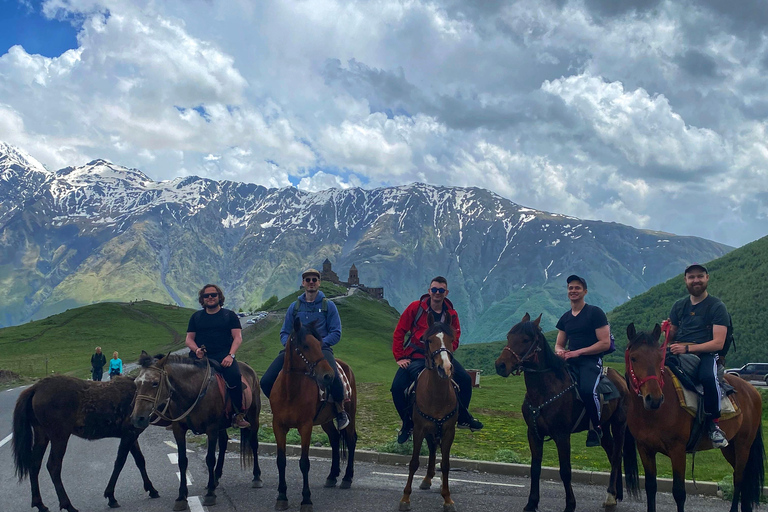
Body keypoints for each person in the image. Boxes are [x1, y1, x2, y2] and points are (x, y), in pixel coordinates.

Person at [391, 276, 483, 444]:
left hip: (442, 356)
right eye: (434, 290)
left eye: (441, 290)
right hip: (417, 356)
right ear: (429, 291)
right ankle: (407, 424)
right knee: (396, 388)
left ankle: (463, 416)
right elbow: (400, 331)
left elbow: (456, 335)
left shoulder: (451, 314)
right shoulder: (415, 308)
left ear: (446, 293)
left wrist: (446, 351)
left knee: (463, 379)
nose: (437, 293)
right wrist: (400, 356)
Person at [259, 268, 349, 430]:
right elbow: (284, 332)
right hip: (295, 352)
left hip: (321, 350)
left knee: (333, 377)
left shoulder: (329, 306)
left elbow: (336, 332)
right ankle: (280, 406)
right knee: (266, 380)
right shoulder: (294, 307)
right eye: (308, 280)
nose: (311, 282)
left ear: (319, 283)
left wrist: (318, 345)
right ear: (303, 283)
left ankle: (340, 410)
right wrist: (291, 346)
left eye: (314, 279)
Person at [667, 263, 730, 448]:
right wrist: (667, 331)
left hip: (706, 354)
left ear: (707, 278)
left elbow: (718, 343)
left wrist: (687, 349)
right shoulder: (679, 306)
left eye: (700, 276)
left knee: (708, 378)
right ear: (685, 280)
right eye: (691, 277)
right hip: (677, 350)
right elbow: (672, 336)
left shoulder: (717, 306)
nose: (696, 280)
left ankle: (714, 425)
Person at [554, 275, 611, 447]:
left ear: (585, 292)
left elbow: (604, 343)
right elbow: (558, 344)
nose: (573, 291)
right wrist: (560, 352)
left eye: (577, 288)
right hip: (571, 361)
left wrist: (578, 352)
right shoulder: (565, 318)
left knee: (587, 390)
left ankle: (597, 427)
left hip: (590, 361)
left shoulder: (595, 313)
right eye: (570, 288)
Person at [186, 284, 250, 429]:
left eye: (213, 295)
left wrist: (230, 356)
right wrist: (196, 350)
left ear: (219, 297)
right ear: (202, 299)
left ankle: (237, 414)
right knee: (179, 377)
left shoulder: (229, 315)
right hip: (200, 356)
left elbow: (237, 337)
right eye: (206, 295)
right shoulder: (196, 317)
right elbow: (189, 339)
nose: (210, 297)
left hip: (223, 356)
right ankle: (179, 414)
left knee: (234, 376)